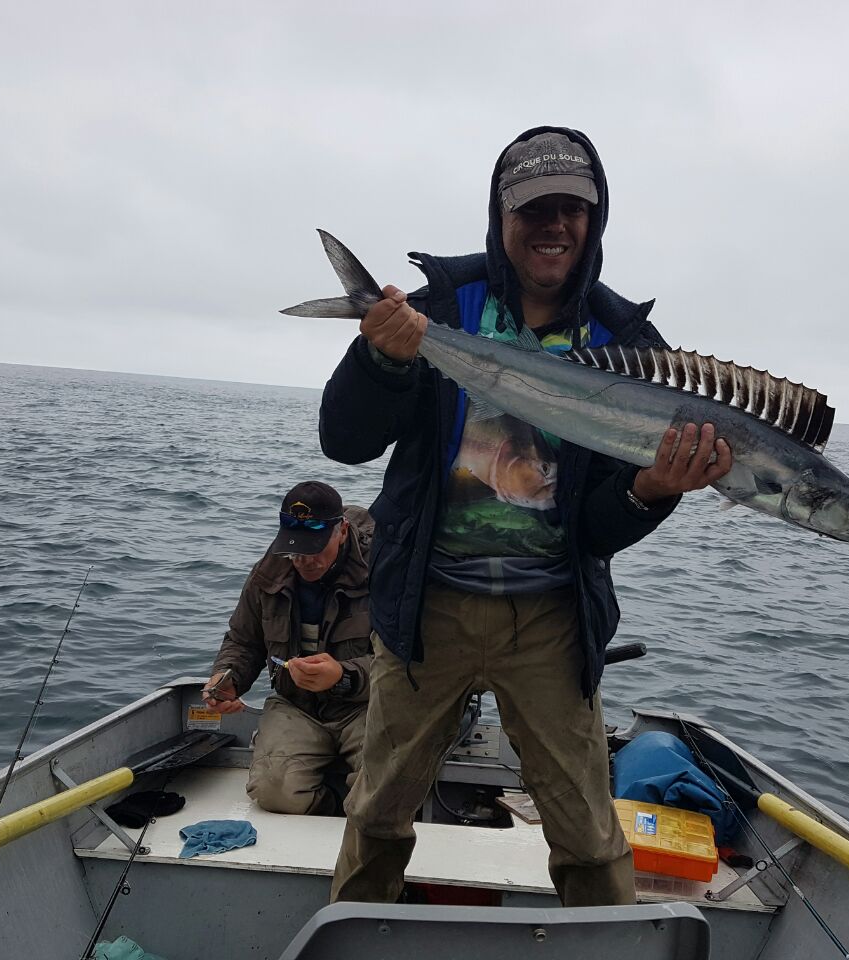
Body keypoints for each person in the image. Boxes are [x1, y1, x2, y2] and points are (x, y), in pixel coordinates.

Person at [318, 127, 733, 905]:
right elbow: (344, 443)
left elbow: (598, 532)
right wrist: (379, 356)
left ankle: (605, 949)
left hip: (550, 618)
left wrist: (652, 491)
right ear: (499, 218)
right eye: (533, 208)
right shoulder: (440, 307)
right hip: (425, 607)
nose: (554, 225)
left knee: (586, 831)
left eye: (571, 208)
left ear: (595, 218)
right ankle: (351, 932)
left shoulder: (632, 347)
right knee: (376, 812)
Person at [203, 481, 374, 816]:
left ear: (341, 531)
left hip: (369, 703)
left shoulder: (387, 570)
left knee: (384, 787)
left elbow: (407, 663)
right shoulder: (268, 574)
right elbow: (242, 640)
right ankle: (334, 811)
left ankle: (363, 822)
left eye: (314, 549)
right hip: (297, 705)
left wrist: (342, 676)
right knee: (273, 792)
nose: (303, 561)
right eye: (295, 550)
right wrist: (227, 679)